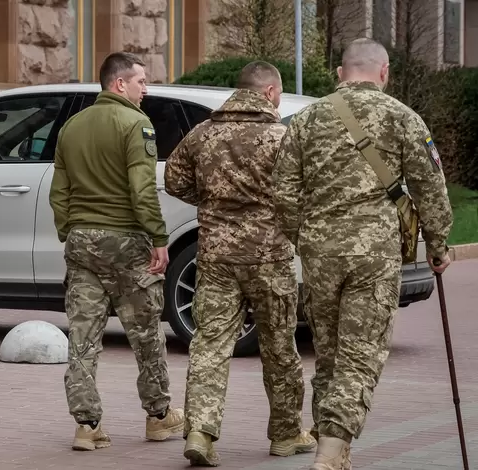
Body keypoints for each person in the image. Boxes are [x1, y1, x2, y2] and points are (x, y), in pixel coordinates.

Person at [272, 38, 454, 470]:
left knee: (331, 354)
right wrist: (439, 245)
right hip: (373, 253)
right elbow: (431, 188)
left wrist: (305, 236)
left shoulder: (305, 118)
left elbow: (282, 191)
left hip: (319, 252)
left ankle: (335, 449)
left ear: (340, 72)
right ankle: (331, 450)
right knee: (361, 354)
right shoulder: (402, 118)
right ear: (385, 72)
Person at [164, 60, 316, 466]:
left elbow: (174, 180)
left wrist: (214, 202)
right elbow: (302, 192)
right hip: (270, 258)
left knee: (210, 345)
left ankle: (200, 431)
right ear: (269, 92)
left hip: (216, 257)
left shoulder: (203, 133)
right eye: (279, 94)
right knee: (279, 347)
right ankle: (285, 435)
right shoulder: (284, 137)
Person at [49, 51, 184, 452]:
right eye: (141, 81)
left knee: (83, 337)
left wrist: (70, 232)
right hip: (126, 241)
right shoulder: (136, 124)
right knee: (145, 334)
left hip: (82, 242)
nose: (147, 89)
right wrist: (159, 238)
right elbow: (142, 192)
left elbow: (59, 194)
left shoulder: (71, 127)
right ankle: (159, 417)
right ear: (118, 84)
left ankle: (87, 426)